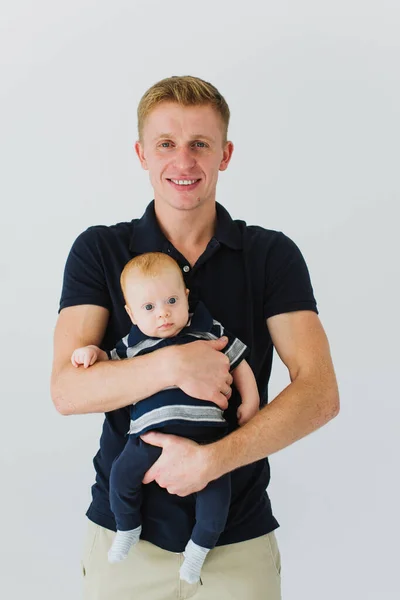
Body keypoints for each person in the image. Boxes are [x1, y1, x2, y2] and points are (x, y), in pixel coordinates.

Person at [51, 75, 339, 600]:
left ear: (225, 154)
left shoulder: (270, 256)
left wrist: (213, 461)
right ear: (141, 153)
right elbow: (67, 391)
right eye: (166, 144)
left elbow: (320, 392)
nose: (183, 162)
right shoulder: (99, 251)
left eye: (199, 145)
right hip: (125, 541)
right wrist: (173, 366)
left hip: (237, 543)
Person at [71, 251, 259, 584]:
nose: (163, 314)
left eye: (171, 300)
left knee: (217, 501)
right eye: (149, 308)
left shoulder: (207, 330)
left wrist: (252, 400)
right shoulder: (133, 343)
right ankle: (128, 528)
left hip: (209, 441)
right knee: (120, 479)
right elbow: (108, 367)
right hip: (147, 438)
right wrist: (92, 354)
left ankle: (198, 551)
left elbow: (238, 361)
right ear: (130, 313)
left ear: (186, 296)